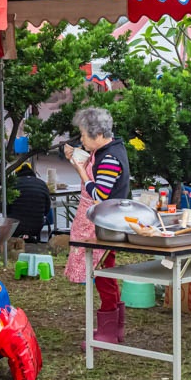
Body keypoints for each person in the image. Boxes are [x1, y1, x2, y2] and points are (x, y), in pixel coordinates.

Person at [62, 107, 131, 346]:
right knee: (105, 275)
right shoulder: (109, 149)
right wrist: (79, 157)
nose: (81, 140)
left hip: (104, 225)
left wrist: (81, 171)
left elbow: (100, 194)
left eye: (83, 135)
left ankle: (109, 332)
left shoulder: (110, 158)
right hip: (103, 224)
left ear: (98, 134)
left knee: (103, 275)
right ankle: (114, 328)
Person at [6, 162, 52, 242]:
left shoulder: (13, 184)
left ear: (16, 173)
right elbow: (47, 209)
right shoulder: (42, 184)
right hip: (37, 226)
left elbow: (5, 208)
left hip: (15, 226)